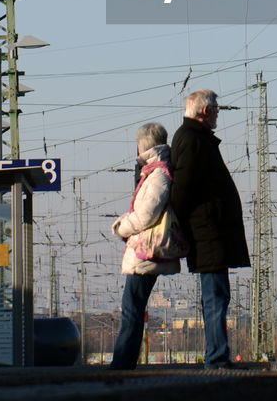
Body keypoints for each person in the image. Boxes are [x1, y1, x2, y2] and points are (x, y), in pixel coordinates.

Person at [170, 89, 250, 368]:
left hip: (209, 232)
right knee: (215, 297)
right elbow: (183, 188)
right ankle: (217, 357)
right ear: (205, 111)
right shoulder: (193, 140)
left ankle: (218, 354)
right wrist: (179, 224)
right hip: (208, 233)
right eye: (216, 109)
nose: (218, 113)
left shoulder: (194, 138)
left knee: (216, 296)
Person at [109, 122, 181, 370]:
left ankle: (122, 363)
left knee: (131, 309)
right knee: (132, 308)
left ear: (144, 145)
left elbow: (145, 215)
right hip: (145, 251)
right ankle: (124, 361)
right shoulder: (153, 172)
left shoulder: (158, 175)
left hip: (146, 251)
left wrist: (121, 227)